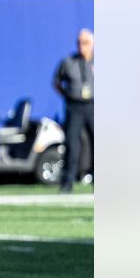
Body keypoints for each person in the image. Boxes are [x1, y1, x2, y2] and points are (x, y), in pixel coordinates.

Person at [53, 29, 94, 192]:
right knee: (72, 143)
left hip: (93, 105)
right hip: (75, 105)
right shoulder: (68, 62)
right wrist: (67, 95)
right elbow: (56, 82)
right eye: (79, 42)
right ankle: (67, 182)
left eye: (85, 43)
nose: (82, 46)